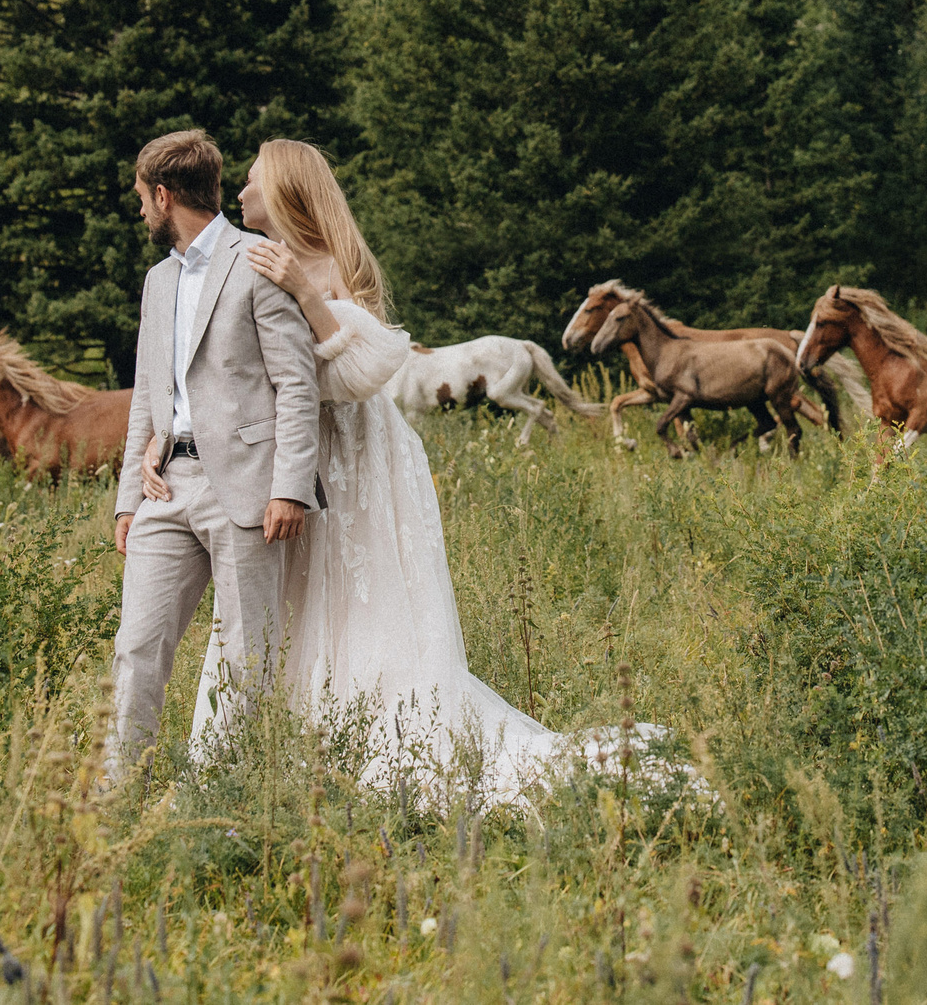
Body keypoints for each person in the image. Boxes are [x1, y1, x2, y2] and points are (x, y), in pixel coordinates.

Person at [144, 139, 645, 802]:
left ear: (287, 189)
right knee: (282, 601)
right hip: (281, 456)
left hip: (349, 453)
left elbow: (370, 365)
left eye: (252, 180)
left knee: (350, 596)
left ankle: (360, 736)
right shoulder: (238, 261)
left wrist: (302, 288)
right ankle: (271, 744)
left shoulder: (329, 265)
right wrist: (166, 433)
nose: (239, 192)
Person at [104, 128, 322, 784]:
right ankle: (120, 792)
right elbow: (148, 392)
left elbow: (296, 381)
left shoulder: (257, 260)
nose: (142, 210)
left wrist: (290, 485)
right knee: (137, 646)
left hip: (250, 490)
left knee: (247, 655)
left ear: (165, 195)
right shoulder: (158, 281)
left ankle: (241, 795)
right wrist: (127, 498)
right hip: (166, 488)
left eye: (144, 198)